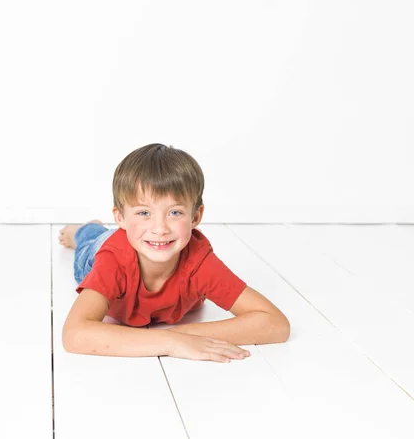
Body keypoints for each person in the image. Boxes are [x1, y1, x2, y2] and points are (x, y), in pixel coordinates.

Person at [59, 143, 290, 362]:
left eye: (175, 213)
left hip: (136, 240)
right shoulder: (113, 260)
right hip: (100, 249)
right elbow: (74, 334)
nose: (160, 228)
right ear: (120, 217)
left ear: (195, 217)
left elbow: (276, 324)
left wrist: (185, 334)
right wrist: (170, 341)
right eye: (143, 213)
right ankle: (85, 229)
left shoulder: (198, 261)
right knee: (91, 239)